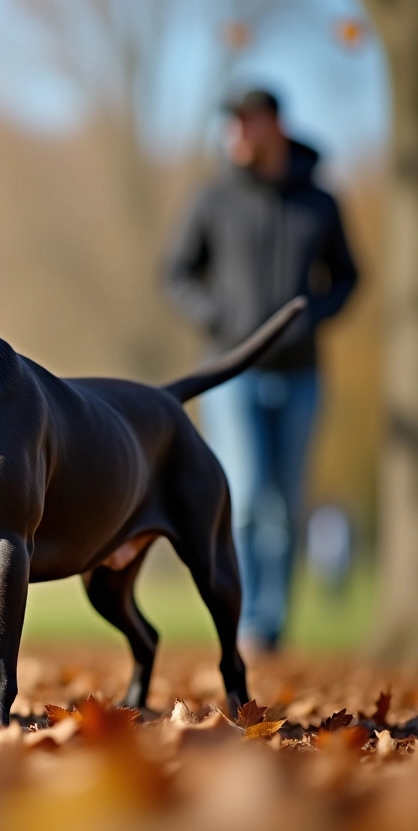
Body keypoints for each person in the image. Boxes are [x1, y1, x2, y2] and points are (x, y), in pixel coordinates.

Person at [165, 88, 358, 652]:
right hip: (230, 374)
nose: (236, 136)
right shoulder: (213, 199)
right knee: (245, 497)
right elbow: (177, 273)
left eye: (246, 124)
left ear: (275, 125)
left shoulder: (319, 203)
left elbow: (348, 276)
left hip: (302, 374)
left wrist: (311, 316)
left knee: (285, 504)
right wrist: (219, 315)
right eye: (231, 125)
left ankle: (273, 626)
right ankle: (246, 625)